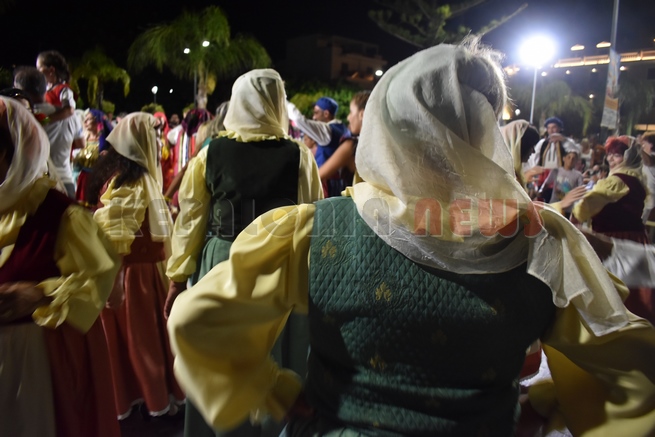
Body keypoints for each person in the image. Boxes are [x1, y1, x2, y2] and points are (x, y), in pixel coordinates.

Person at [168, 40, 655, 436]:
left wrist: (274, 391)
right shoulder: (542, 240)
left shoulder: (321, 229)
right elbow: (633, 371)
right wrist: (550, 405)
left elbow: (199, 322)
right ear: (485, 125)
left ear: (389, 120)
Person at [164, 68, 323, 437]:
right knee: (272, 345)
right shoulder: (298, 156)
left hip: (222, 261)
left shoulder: (210, 154)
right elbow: (314, 217)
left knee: (223, 344)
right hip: (279, 266)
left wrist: (177, 279)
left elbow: (191, 221)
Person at [0, 96, 121, 437]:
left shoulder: (58, 214)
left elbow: (97, 277)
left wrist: (40, 295)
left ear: (7, 154)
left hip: (26, 373)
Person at [86, 112, 185, 420]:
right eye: (152, 136)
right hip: (133, 275)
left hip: (143, 271)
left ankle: (150, 398)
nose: (158, 142)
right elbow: (116, 234)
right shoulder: (130, 182)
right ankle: (150, 398)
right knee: (142, 342)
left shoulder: (133, 177)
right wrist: (115, 281)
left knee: (142, 341)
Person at [573, 135, 653, 324]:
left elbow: (587, 204)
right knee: (632, 294)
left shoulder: (617, 181)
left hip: (611, 241)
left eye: (617, 155)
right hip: (635, 239)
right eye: (609, 154)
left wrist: (576, 217)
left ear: (628, 157)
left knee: (610, 291)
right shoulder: (638, 180)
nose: (610, 158)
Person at [36, 50, 82, 198]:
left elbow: (69, 109)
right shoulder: (46, 91)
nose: (37, 73)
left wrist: (46, 120)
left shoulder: (63, 89)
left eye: (39, 69)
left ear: (51, 70)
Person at [317, 90, 371, 196]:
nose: (348, 117)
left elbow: (319, 175)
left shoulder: (352, 146)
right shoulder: (383, 144)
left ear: (362, 114)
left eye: (351, 112)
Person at [286, 96, 350, 171]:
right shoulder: (343, 128)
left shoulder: (327, 130)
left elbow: (298, 120)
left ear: (326, 114)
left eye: (316, 113)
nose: (314, 117)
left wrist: (282, 100)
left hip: (325, 177)